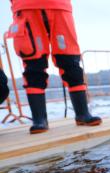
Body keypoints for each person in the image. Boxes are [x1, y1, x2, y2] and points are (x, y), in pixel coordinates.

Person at [8, 0, 101, 134]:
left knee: (70, 59)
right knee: (33, 63)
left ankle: (82, 114)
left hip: (60, 7)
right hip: (26, 7)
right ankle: (39, 120)